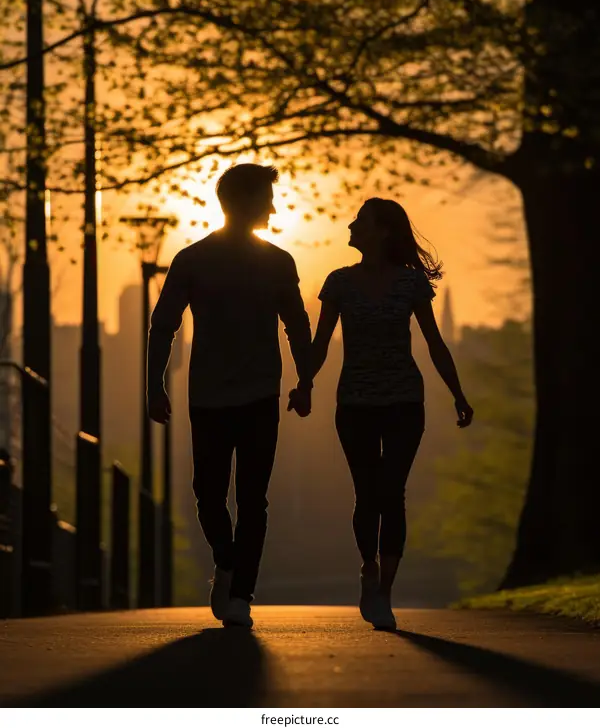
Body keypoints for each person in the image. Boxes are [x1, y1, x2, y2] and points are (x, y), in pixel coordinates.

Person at [289, 197, 473, 631]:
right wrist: (304, 383)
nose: (350, 227)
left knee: (393, 493)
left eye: (360, 222)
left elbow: (434, 343)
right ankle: (367, 567)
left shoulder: (410, 285)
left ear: (382, 231)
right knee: (367, 493)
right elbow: (320, 344)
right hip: (354, 403)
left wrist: (458, 394)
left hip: (405, 402)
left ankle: (385, 591)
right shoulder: (338, 283)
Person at [147, 163, 313, 628]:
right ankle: (227, 560)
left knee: (253, 498)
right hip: (209, 395)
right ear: (241, 202)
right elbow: (163, 324)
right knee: (208, 494)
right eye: (266, 199)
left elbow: (297, 324)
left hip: (260, 393)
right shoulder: (193, 260)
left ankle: (241, 593)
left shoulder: (279, 261)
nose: (274, 208)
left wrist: (306, 381)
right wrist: (153, 383)